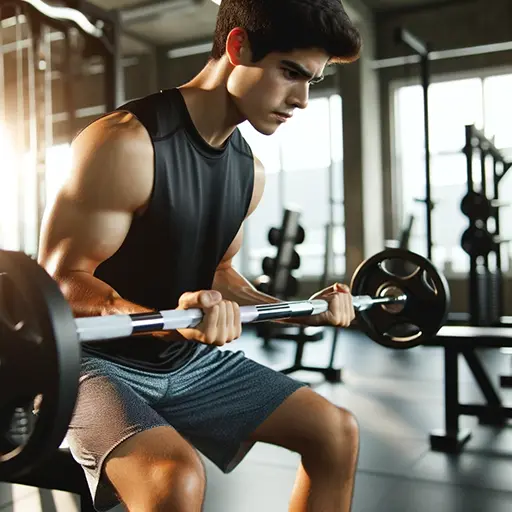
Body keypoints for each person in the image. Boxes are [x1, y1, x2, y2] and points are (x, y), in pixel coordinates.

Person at [38, 0, 362, 510]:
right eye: (290, 73)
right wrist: (167, 319)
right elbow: (60, 280)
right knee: (175, 477)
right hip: (88, 365)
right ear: (238, 47)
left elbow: (220, 272)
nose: (301, 99)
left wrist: (296, 308)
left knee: (335, 431)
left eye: (312, 82)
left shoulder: (248, 171)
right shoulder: (126, 143)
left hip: (181, 359)